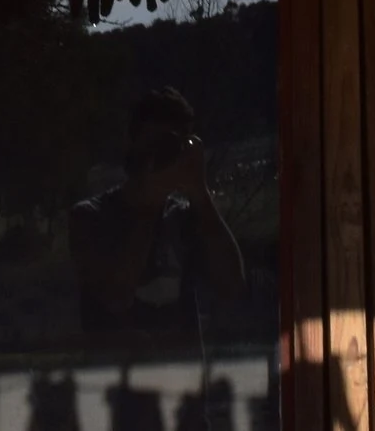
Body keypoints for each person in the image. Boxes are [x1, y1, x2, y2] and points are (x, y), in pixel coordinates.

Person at [68, 87, 248, 354]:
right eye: (155, 144)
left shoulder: (182, 216)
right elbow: (116, 297)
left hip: (184, 386)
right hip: (117, 386)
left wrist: (199, 191)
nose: (163, 155)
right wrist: (152, 200)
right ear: (133, 144)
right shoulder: (91, 216)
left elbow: (233, 284)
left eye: (172, 146)